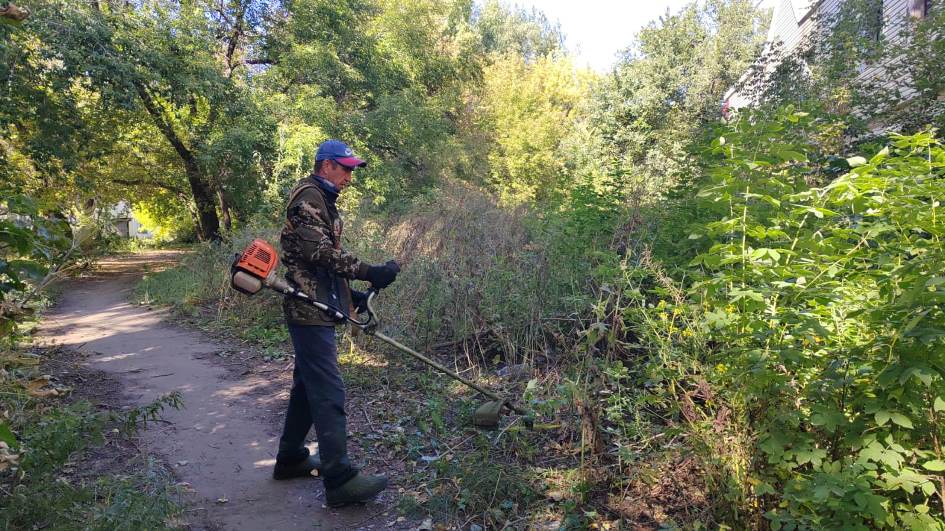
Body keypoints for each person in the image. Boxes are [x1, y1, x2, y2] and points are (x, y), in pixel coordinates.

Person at [271, 139, 400, 507]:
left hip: (318, 303)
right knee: (328, 391)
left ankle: (290, 458)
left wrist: (351, 297)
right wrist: (369, 271)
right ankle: (340, 479)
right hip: (307, 309)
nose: (349, 176)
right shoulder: (308, 199)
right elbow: (320, 254)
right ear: (325, 165)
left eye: (351, 170)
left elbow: (315, 262)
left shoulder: (321, 198)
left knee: (305, 387)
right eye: (344, 168)